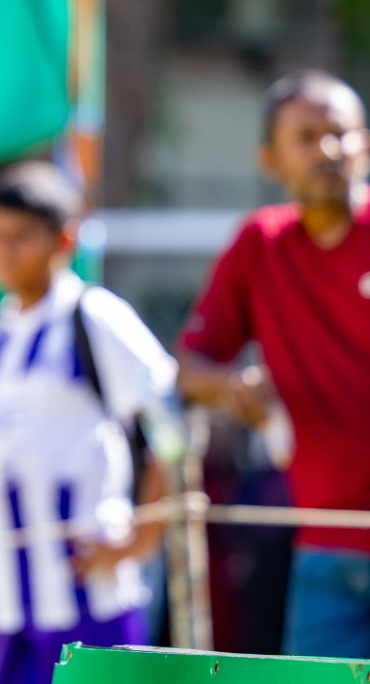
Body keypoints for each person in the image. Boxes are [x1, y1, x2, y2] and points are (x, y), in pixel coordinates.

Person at [0, 163, 178, 684]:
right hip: (0, 599)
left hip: (84, 594)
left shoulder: (94, 316)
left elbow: (170, 419)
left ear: (65, 239)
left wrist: (142, 537)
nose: (5, 251)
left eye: (22, 237)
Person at [176, 70, 370, 658]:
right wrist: (231, 387)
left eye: (341, 134)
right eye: (307, 137)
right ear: (270, 158)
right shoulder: (258, 247)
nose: (328, 150)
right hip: (324, 549)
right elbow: (188, 366)